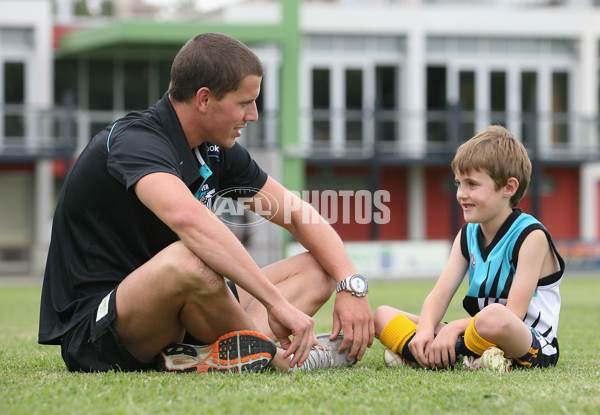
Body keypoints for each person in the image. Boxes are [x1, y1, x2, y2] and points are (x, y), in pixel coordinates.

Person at [38, 32, 374, 374]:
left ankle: (220, 354)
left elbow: (297, 214)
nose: (254, 115)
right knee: (190, 257)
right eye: (245, 102)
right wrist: (277, 303)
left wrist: (351, 283)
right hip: (103, 331)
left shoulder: (216, 150)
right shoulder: (136, 140)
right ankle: (274, 357)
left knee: (320, 266)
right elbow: (188, 219)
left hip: (186, 316)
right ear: (204, 99)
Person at [374, 125, 564, 371]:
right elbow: (439, 295)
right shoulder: (467, 234)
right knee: (381, 315)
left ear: (508, 187)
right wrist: (424, 330)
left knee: (494, 316)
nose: (461, 194)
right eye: (458, 183)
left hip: (528, 341)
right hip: (477, 334)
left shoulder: (531, 235)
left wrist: (452, 328)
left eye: (472, 184)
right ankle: (454, 354)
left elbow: (513, 315)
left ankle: (429, 355)